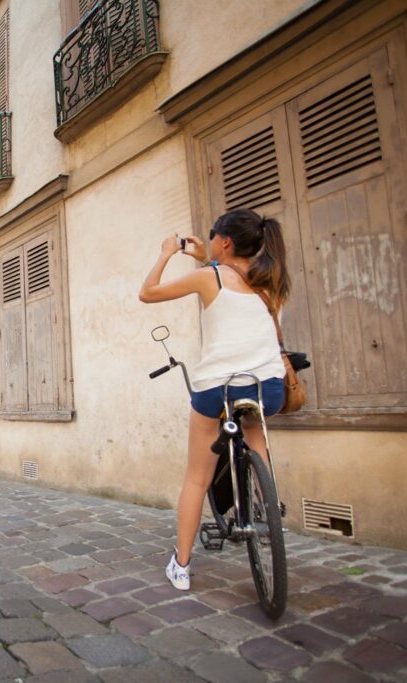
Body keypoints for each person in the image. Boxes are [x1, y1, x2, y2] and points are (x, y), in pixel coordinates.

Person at [138, 208, 291, 591]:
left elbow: (148, 292)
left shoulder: (210, 277)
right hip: (267, 388)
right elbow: (234, 288)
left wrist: (167, 252)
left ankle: (182, 565)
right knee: (256, 436)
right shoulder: (270, 281)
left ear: (225, 241)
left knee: (197, 476)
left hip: (218, 389)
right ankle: (265, 505)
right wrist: (206, 255)